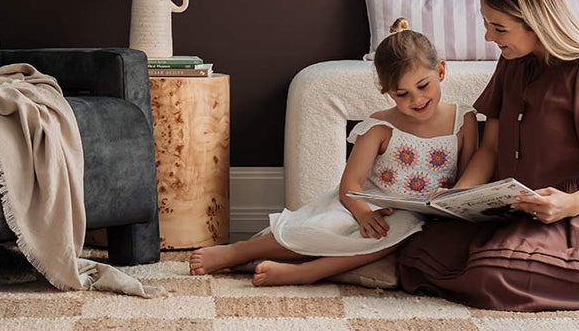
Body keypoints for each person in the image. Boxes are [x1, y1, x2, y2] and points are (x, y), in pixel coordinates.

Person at [398, 0, 579, 311]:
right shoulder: (513, 62)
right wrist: (457, 198)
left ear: (536, 21)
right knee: (419, 249)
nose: (489, 37)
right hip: (514, 208)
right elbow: (489, 150)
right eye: (486, 24)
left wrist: (568, 204)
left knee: (496, 273)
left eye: (499, 28)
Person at [189, 18, 479, 286]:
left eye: (423, 86)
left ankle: (304, 273)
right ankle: (239, 251)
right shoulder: (380, 126)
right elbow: (350, 185)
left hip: (414, 216)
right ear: (388, 92)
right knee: (317, 229)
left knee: (393, 234)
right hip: (362, 204)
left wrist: (447, 198)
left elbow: (467, 178)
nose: (416, 99)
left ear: (440, 71)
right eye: (402, 94)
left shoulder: (463, 121)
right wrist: (364, 214)